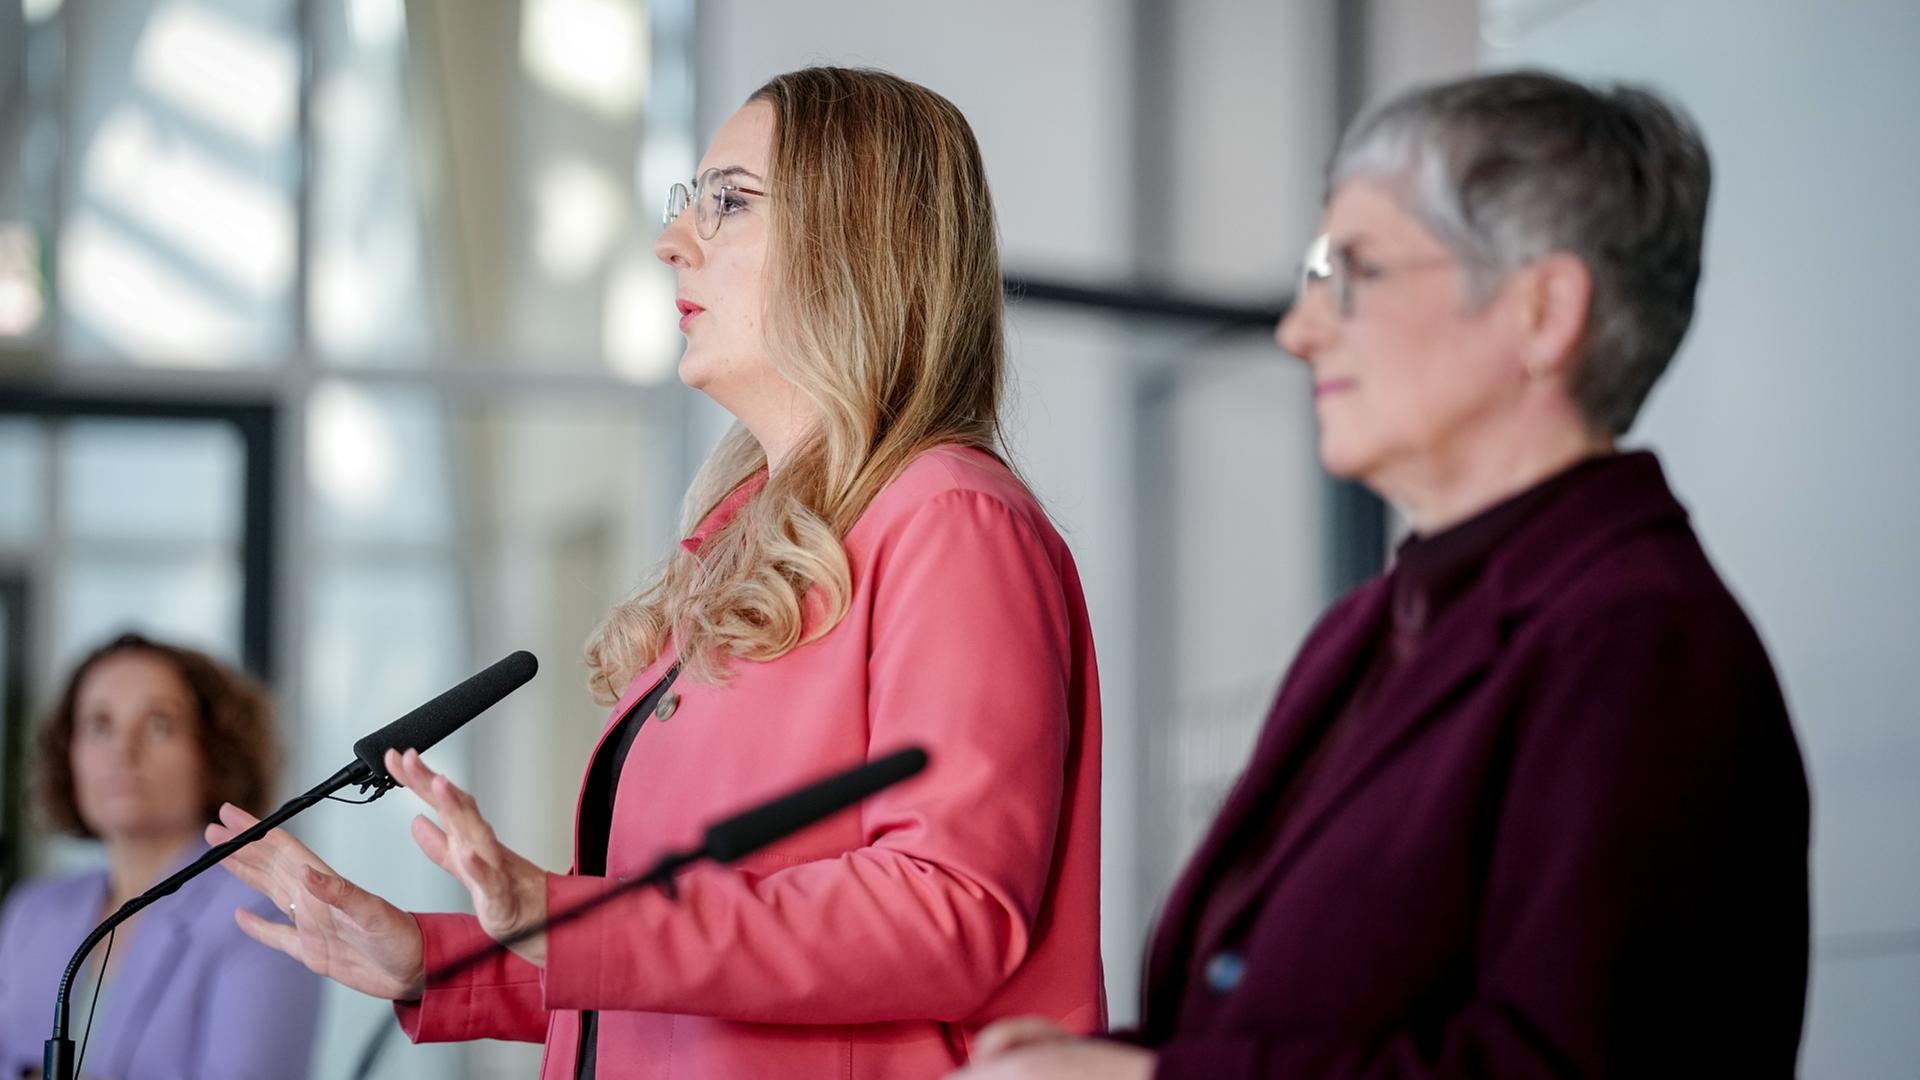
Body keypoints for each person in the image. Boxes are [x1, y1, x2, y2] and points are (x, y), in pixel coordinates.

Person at [209, 66, 1105, 1079]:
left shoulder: (951, 518)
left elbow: (948, 913)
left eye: (726, 202)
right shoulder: (753, 536)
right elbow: (672, 981)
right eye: (689, 203)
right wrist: (435, 960)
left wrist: (564, 915)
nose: (672, 241)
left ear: (854, 233)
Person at [957, 70, 1810, 1079]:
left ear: (1543, 310)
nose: (1298, 329)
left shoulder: (1644, 650)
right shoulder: (1371, 629)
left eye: (1351, 273)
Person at [0, 632, 323, 1079]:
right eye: (99, 725)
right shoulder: (32, 913)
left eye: (158, 725)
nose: (122, 750)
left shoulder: (263, 912)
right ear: (68, 754)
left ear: (213, 752)